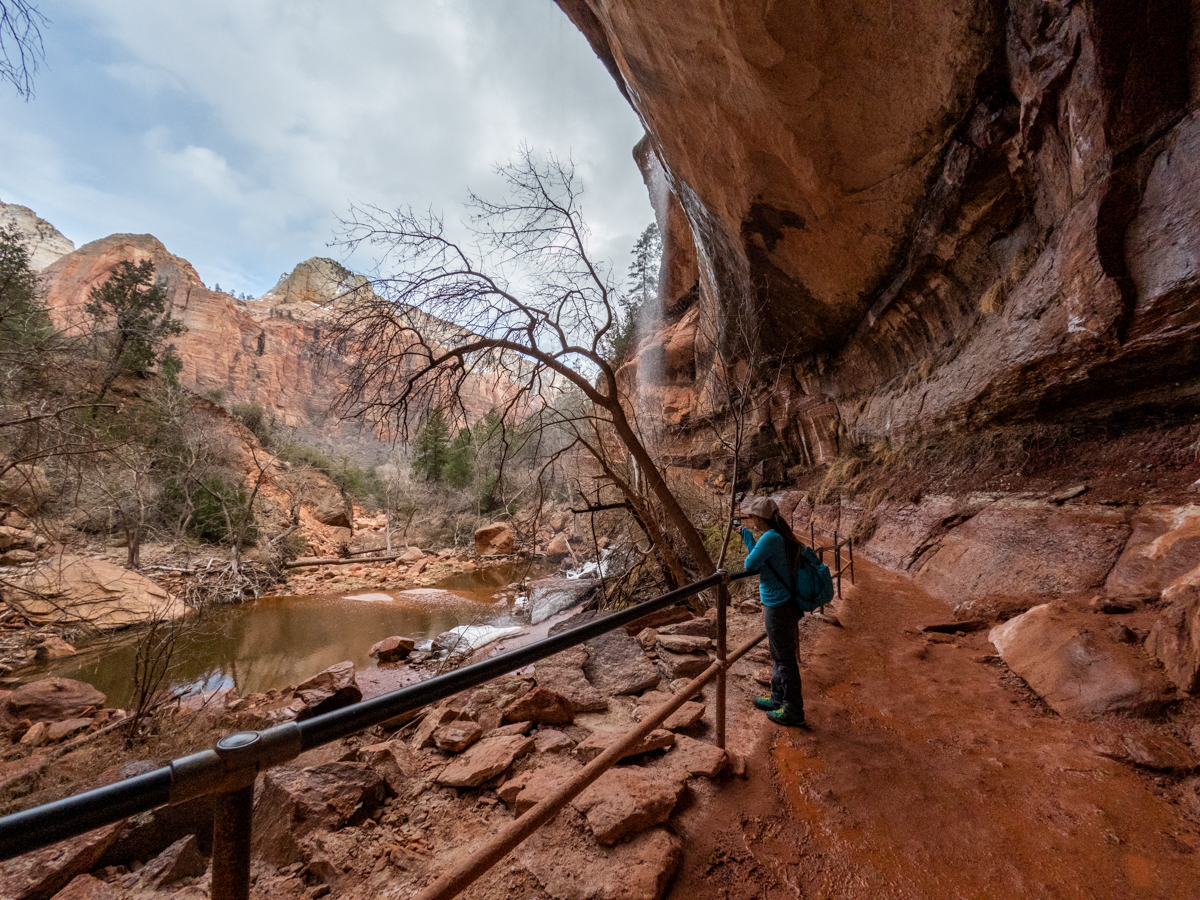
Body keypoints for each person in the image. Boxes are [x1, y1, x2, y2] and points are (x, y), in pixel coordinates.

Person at [739, 496, 808, 727]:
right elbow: (762, 562)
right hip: (784, 604)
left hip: (778, 606)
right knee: (779, 656)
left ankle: (792, 710)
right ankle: (777, 698)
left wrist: (749, 539)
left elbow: (750, 565)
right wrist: (748, 537)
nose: (751, 520)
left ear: (760, 518)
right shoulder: (780, 535)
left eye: (752, 517)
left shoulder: (770, 538)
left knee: (785, 659)